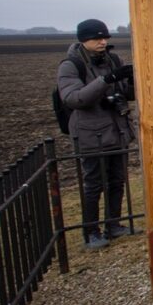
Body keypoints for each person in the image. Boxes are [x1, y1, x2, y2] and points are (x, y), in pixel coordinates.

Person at [57, 19, 136, 250]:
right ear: (84, 40)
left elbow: (125, 93)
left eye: (105, 38)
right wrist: (107, 80)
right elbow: (74, 98)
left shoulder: (112, 60)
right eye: (97, 38)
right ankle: (91, 231)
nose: (103, 42)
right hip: (91, 134)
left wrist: (131, 81)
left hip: (117, 130)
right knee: (93, 184)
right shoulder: (71, 66)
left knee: (117, 180)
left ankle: (114, 225)